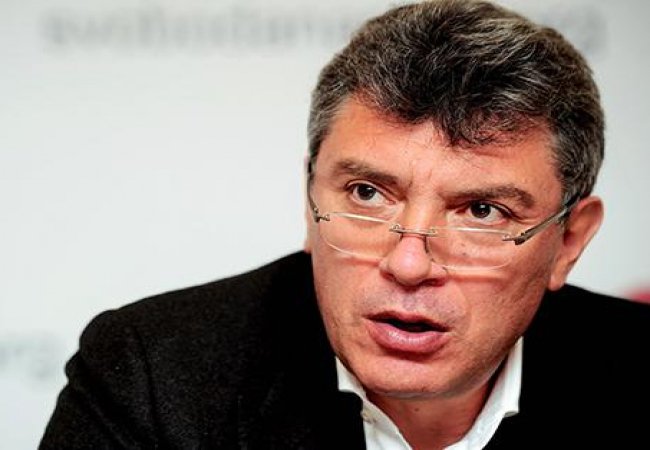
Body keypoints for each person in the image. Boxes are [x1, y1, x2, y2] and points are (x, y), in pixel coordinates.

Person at [40, 1, 650, 449]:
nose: (408, 264)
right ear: (310, 203)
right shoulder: (155, 375)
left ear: (569, 241)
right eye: (367, 194)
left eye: (482, 211)